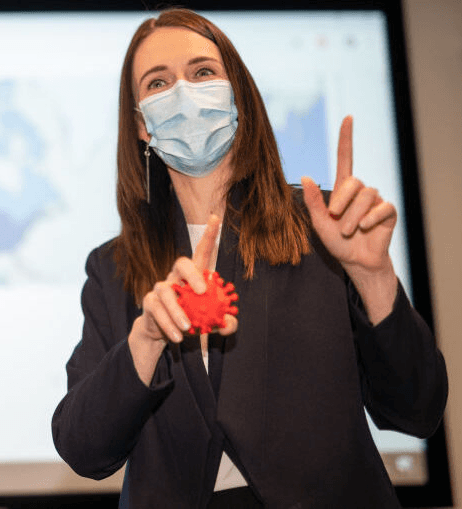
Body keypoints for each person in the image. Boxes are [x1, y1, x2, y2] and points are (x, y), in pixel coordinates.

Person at [51, 8, 447, 509]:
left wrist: (374, 278)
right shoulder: (111, 269)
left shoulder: (325, 225)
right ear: (141, 127)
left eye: (202, 73)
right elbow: (83, 449)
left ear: (236, 91)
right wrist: (145, 341)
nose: (183, 93)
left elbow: (418, 411)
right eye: (158, 82)